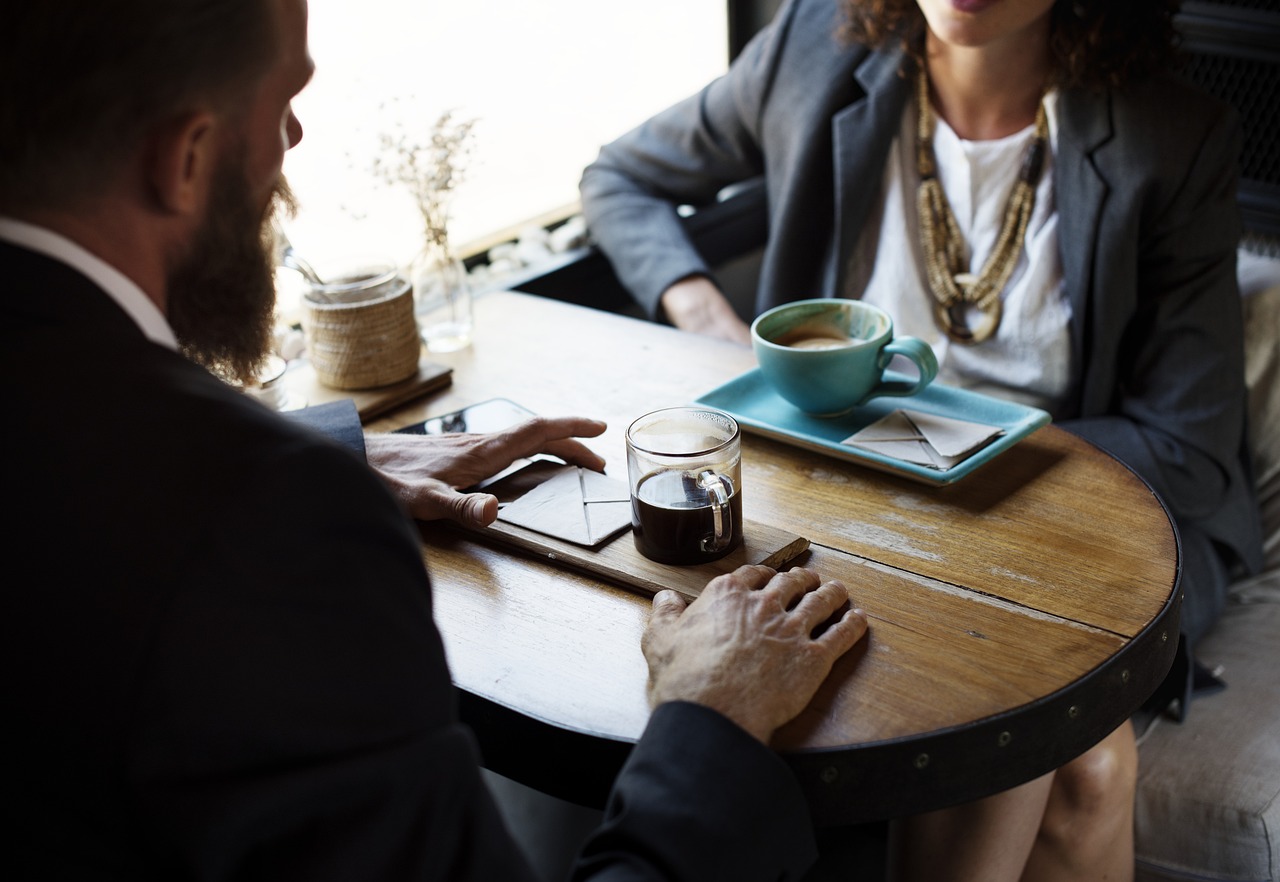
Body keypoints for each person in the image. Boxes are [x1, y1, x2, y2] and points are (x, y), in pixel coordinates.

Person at [0, 1, 873, 880]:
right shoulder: (269, 530)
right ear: (185, 160)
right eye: (283, 104)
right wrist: (710, 720)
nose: (293, 140)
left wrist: (343, 452)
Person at [579, 0, 1265, 879]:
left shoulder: (1174, 136)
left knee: (1075, 769)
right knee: (1086, 767)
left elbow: (1189, 450)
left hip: (1089, 519)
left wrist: (932, 459)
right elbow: (617, 177)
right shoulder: (805, 52)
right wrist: (702, 312)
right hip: (868, 507)